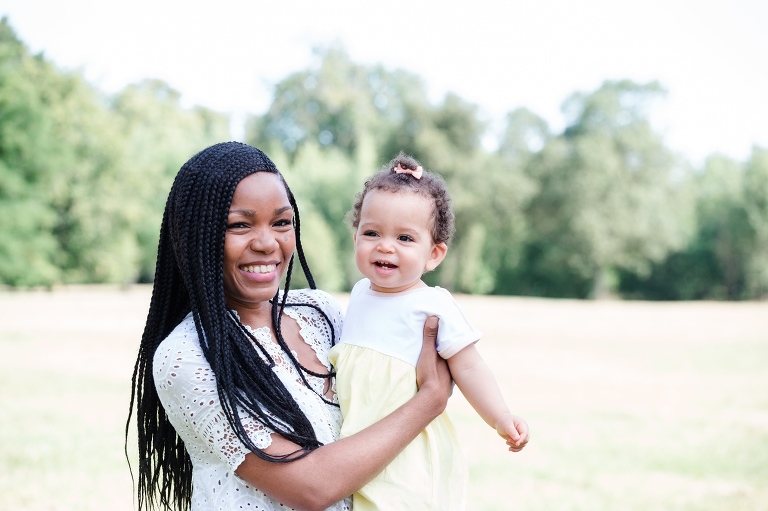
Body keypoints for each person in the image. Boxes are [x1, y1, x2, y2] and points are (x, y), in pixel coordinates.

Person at [126, 142, 453, 511]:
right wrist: (430, 400)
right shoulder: (185, 356)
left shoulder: (320, 312)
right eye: (240, 225)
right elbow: (310, 488)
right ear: (197, 235)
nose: (268, 243)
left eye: (281, 222)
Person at [328, 153, 530, 511]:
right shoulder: (359, 294)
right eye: (371, 232)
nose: (385, 245)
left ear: (434, 254)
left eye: (405, 238)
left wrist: (500, 416)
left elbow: (468, 367)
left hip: (407, 452)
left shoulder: (433, 305)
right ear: (355, 236)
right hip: (357, 443)